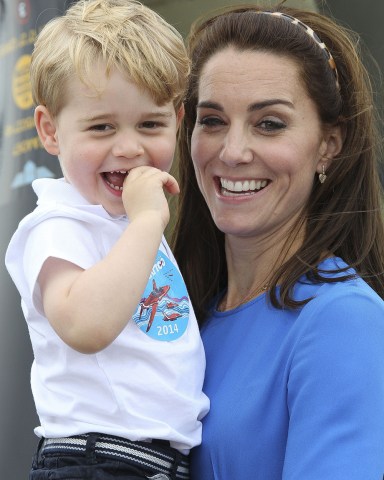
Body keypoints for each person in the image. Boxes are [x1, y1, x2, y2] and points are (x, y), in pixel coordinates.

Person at [172, 3, 384, 479]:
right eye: (212, 120)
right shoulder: (182, 319)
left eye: (269, 123)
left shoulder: (342, 320)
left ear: (329, 144)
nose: (232, 151)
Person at [5, 1, 209, 479]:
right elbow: (85, 325)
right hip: (97, 459)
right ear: (50, 131)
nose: (129, 147)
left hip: (154, 461)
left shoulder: (124, 222)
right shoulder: (57, 225)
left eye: (151, 124)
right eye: (101, 127)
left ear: (178, 122)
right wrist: (144, 225)